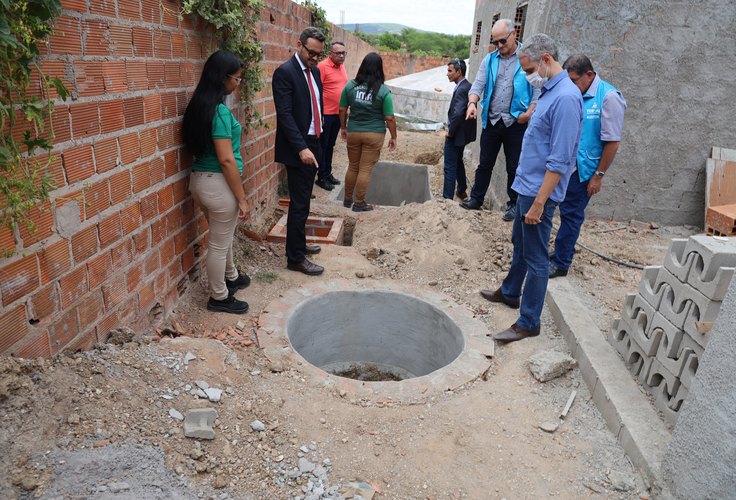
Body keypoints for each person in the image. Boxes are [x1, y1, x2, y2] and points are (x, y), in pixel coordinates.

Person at [482, 34, 583, 343]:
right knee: (520, 244)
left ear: (546, 61)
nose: (528, 76)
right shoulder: (549, 92)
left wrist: (540, 203)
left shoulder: (566, 98)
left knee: (537, 256)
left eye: (528, 70)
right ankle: (511, 291)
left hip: (540, 192)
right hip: (527, 187)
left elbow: (560, 160)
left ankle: (528, 321)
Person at [182, 50, 251, 314]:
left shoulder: (197, 106)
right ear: (222, 78)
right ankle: (219, 297)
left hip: (199, 181)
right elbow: (226, 160)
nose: (237, 84)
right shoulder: (219, 112)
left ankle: (231, 276)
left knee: (222, 237)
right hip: (218, 184)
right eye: (236, 79)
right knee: (219, 245)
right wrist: (242, 198)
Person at [549, 54, 627, 278]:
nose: (571, 86)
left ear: (589, 75)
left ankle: (561, 263)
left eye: (574, 81)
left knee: (571, 215)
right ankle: (559, 252)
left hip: (584, 170)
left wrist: (598, 175)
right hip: (565, 165)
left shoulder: (608, 97)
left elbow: (612, 142)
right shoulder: (575, 93)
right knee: (559, 210)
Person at [462, 18, 539, 221]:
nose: (499, 46)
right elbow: (477, 85)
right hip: (492, 121)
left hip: (516, 122)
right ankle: (476, 199)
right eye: (496, 42)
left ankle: (513, 204)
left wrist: (529, 113)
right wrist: (472, 103)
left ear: (514, 34)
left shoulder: (527, 58)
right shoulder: (490, 60)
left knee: (514, 167)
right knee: (485, 163)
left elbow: (538, 91)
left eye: (503, 41)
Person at [272, 27, 326, 276]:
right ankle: (295, 258)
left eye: (318, 54)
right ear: (299, 44)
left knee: (304, 201)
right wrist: (302, 148)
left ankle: (300, 245)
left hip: (313, 142)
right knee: (300, 203)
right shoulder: (285, 72)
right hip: (299, 148)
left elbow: (314, 104)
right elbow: (285, 116)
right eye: (312, 53)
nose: (315, 58)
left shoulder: (313, 71)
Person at [339, 52, 397, 212]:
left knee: (353, 166)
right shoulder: (383, 91)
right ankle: (359, 203)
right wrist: (394, 137)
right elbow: (390, 118)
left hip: (354, 131)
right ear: (380, 69)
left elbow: (342, 108)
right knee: (364, 169)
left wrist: (343, 127)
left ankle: (347, 199)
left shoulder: (350, 86)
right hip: (374, 134)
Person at [316, 41, 349, 191]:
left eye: (343, 53)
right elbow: (316, 91)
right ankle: (321, 177)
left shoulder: (341, 66)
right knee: (323, 145)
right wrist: (319, 113)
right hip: (326, 114)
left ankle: (327, 173)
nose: (341, 56)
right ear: (330, 54)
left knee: (331, 145)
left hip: (338, 114)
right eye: (338, 53)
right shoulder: (322, 67)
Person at [443, 58, 476, 200]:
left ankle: (447, 199)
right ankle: (461, 189)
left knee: (449, 166)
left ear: (459, 72)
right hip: (461, 135)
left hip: (456, 134)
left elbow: (457, 113)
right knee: (457, 161)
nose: (447, 74)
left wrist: (450, 132)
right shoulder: (465, 86)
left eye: (450, 71)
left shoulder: (462, 89)